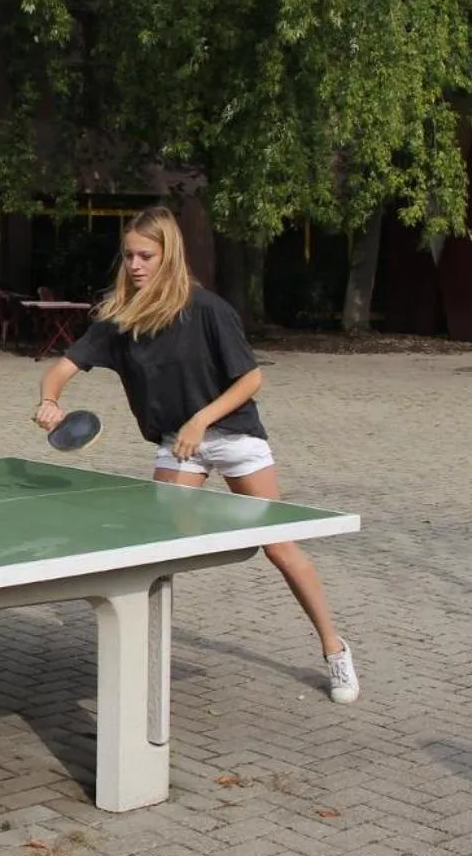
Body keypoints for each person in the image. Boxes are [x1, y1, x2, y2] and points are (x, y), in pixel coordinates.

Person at [32, 206, 360, 704]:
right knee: (159, 549)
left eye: (146, 255)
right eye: (129, 256)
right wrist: (49, 400)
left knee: (279, 546)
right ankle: (143, 656)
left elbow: (251, 378)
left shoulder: (207, 309)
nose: (136, 265)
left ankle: (335, 650)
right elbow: (61, 368)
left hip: (232, 437)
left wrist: (201, 420)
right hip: (175, 442)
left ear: (169, 256)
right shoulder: (119, 320)